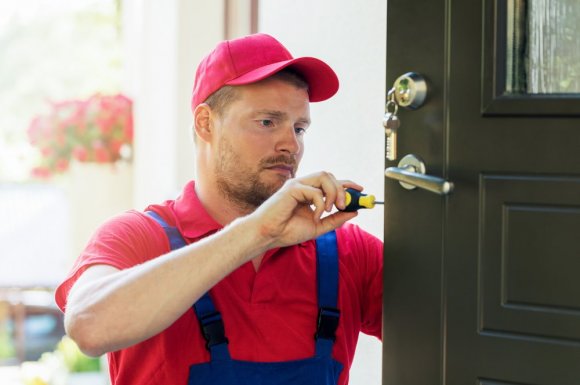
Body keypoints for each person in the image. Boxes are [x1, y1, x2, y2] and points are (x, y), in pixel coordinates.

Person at [55, 33, 383, 385]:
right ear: (205, 123)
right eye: (267, 122)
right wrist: (257, 233)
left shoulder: (348, 252)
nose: (291, 144)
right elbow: (87, 326)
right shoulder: (138, 236)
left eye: (299, 128)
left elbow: (445, 327)